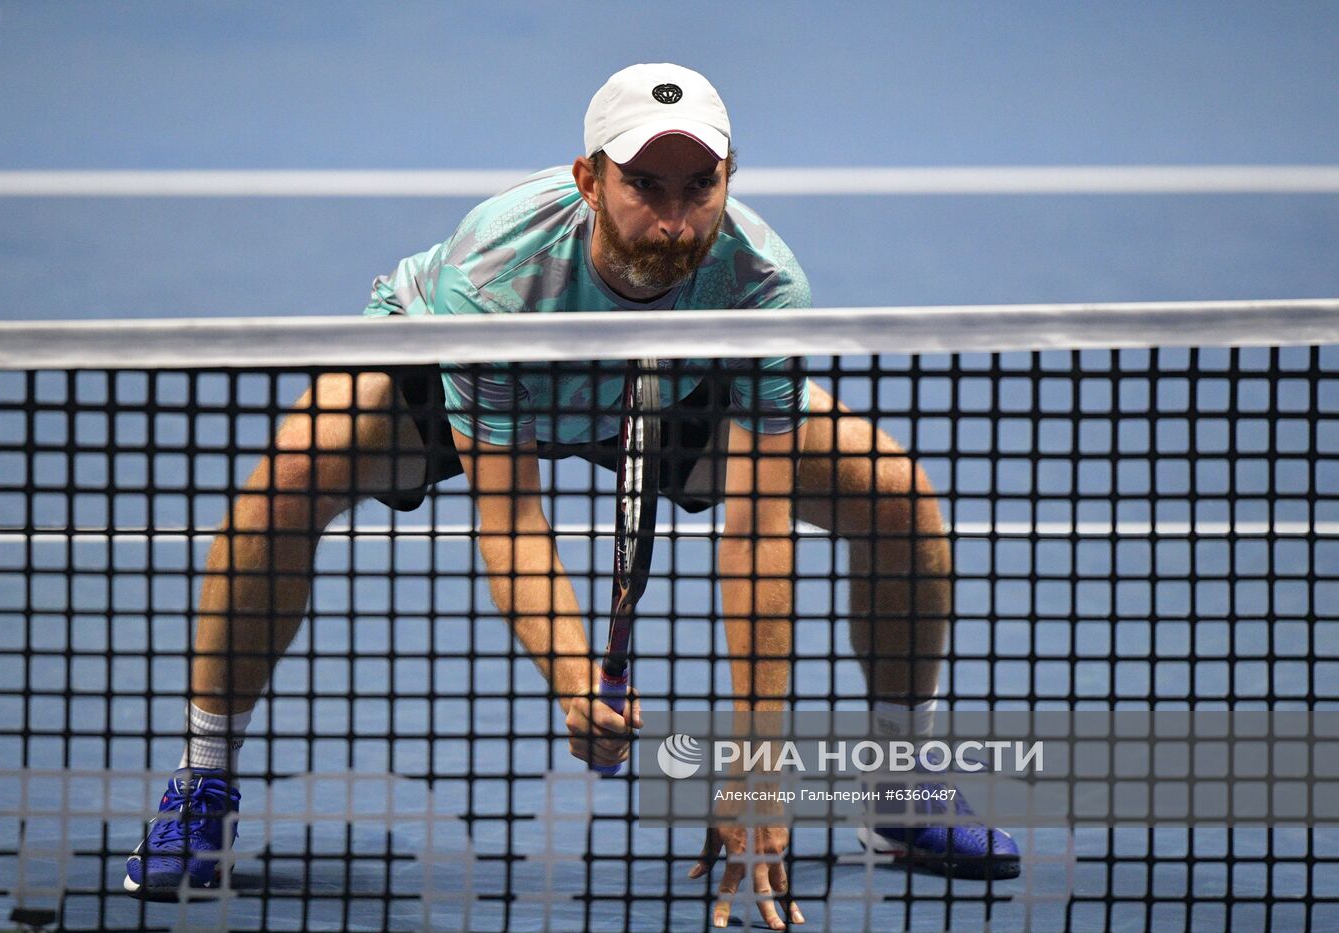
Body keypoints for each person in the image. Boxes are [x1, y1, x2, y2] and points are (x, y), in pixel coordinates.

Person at [123, 62, 1019, 927]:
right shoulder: (496, 272)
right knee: (288, 478)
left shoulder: (761, 285)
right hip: (469, 372)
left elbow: (757, 532)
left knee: (896, 496)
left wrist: (757, 769)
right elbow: (510, 517)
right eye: (646, 186)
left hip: (665, 383)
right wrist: (572, 681)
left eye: (698, 186)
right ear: (590, 180)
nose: (674, 219)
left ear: (728, 178)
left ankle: (902, 785)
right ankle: (205, 777)